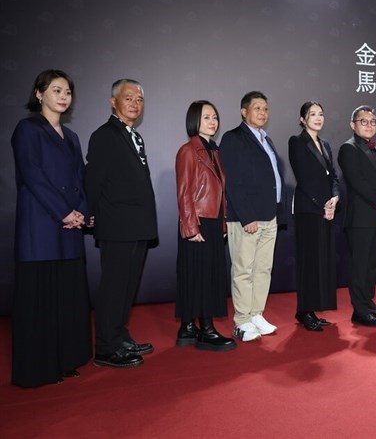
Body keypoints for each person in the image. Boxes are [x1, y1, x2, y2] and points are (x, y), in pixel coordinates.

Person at [11, 69, 92, 386]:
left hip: (70, 230)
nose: (62, 96)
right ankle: (36, 370)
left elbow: (81, 180)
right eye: (56, 90)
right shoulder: (27, 129)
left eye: (67, 92)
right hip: (41, 229)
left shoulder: (71, 137)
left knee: (64, 300)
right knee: (39, 301)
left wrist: (83, 211)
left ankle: (62, 360)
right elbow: (32, 176)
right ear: (39, 94)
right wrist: (63, 212)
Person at [85, 79, 158, 368]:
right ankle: (105, 348)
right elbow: (94, 181)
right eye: (128, 98)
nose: (135, 104)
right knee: (114, 287)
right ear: (113, 102)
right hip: (117, 226)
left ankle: (120, 337)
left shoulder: (134, 136)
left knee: (127, 288)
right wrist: (90, 215)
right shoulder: (104, 135)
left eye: (139, 99)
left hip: (137, 226)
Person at [219, 91, 285, 342]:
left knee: (263, 269)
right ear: (243, 112)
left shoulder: (266, 140)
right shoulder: (233, 138)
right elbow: (233, 181)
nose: (262, 113)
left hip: (269, 216)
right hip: (246, 218)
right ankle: (242, 320)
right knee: (244, 269)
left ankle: (256, 314)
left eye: (265, 109)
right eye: (257, 108)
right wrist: (246, 216)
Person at [174, 101, 236, 351]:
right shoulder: (188, 150)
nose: (213, 122)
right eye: (206, 117)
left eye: (215, 117)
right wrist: (191, 227)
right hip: (197, 222)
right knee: (198, 275)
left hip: (212, 222)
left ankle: (188, 327)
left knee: (204, 275)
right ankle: (206, 330)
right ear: (194, 121)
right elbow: (184, 192)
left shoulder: (214, 151)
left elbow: (220, 192)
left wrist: (222, 222)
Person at [338, 105, 376, 327]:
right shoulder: (348, 149)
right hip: (360, 219)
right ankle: (359, 310)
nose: (369, 125)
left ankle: (368, 303)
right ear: (353, 125)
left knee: (371, 264)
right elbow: (357, 183)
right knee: (360, 265)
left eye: (372, 121)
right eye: (364, 121)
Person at [288, 101, 340, 332]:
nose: (318, 118)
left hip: (327, 210)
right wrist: (323, 205)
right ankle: (304, 310)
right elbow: (304, 178)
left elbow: (334, 177)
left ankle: (314, 309)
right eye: (312, 114)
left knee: (322, 260)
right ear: (303, 119)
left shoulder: (326, 144)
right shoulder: (296, 142)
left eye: (321, 113)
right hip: (309, 210)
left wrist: (335, 198)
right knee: (309, 261)